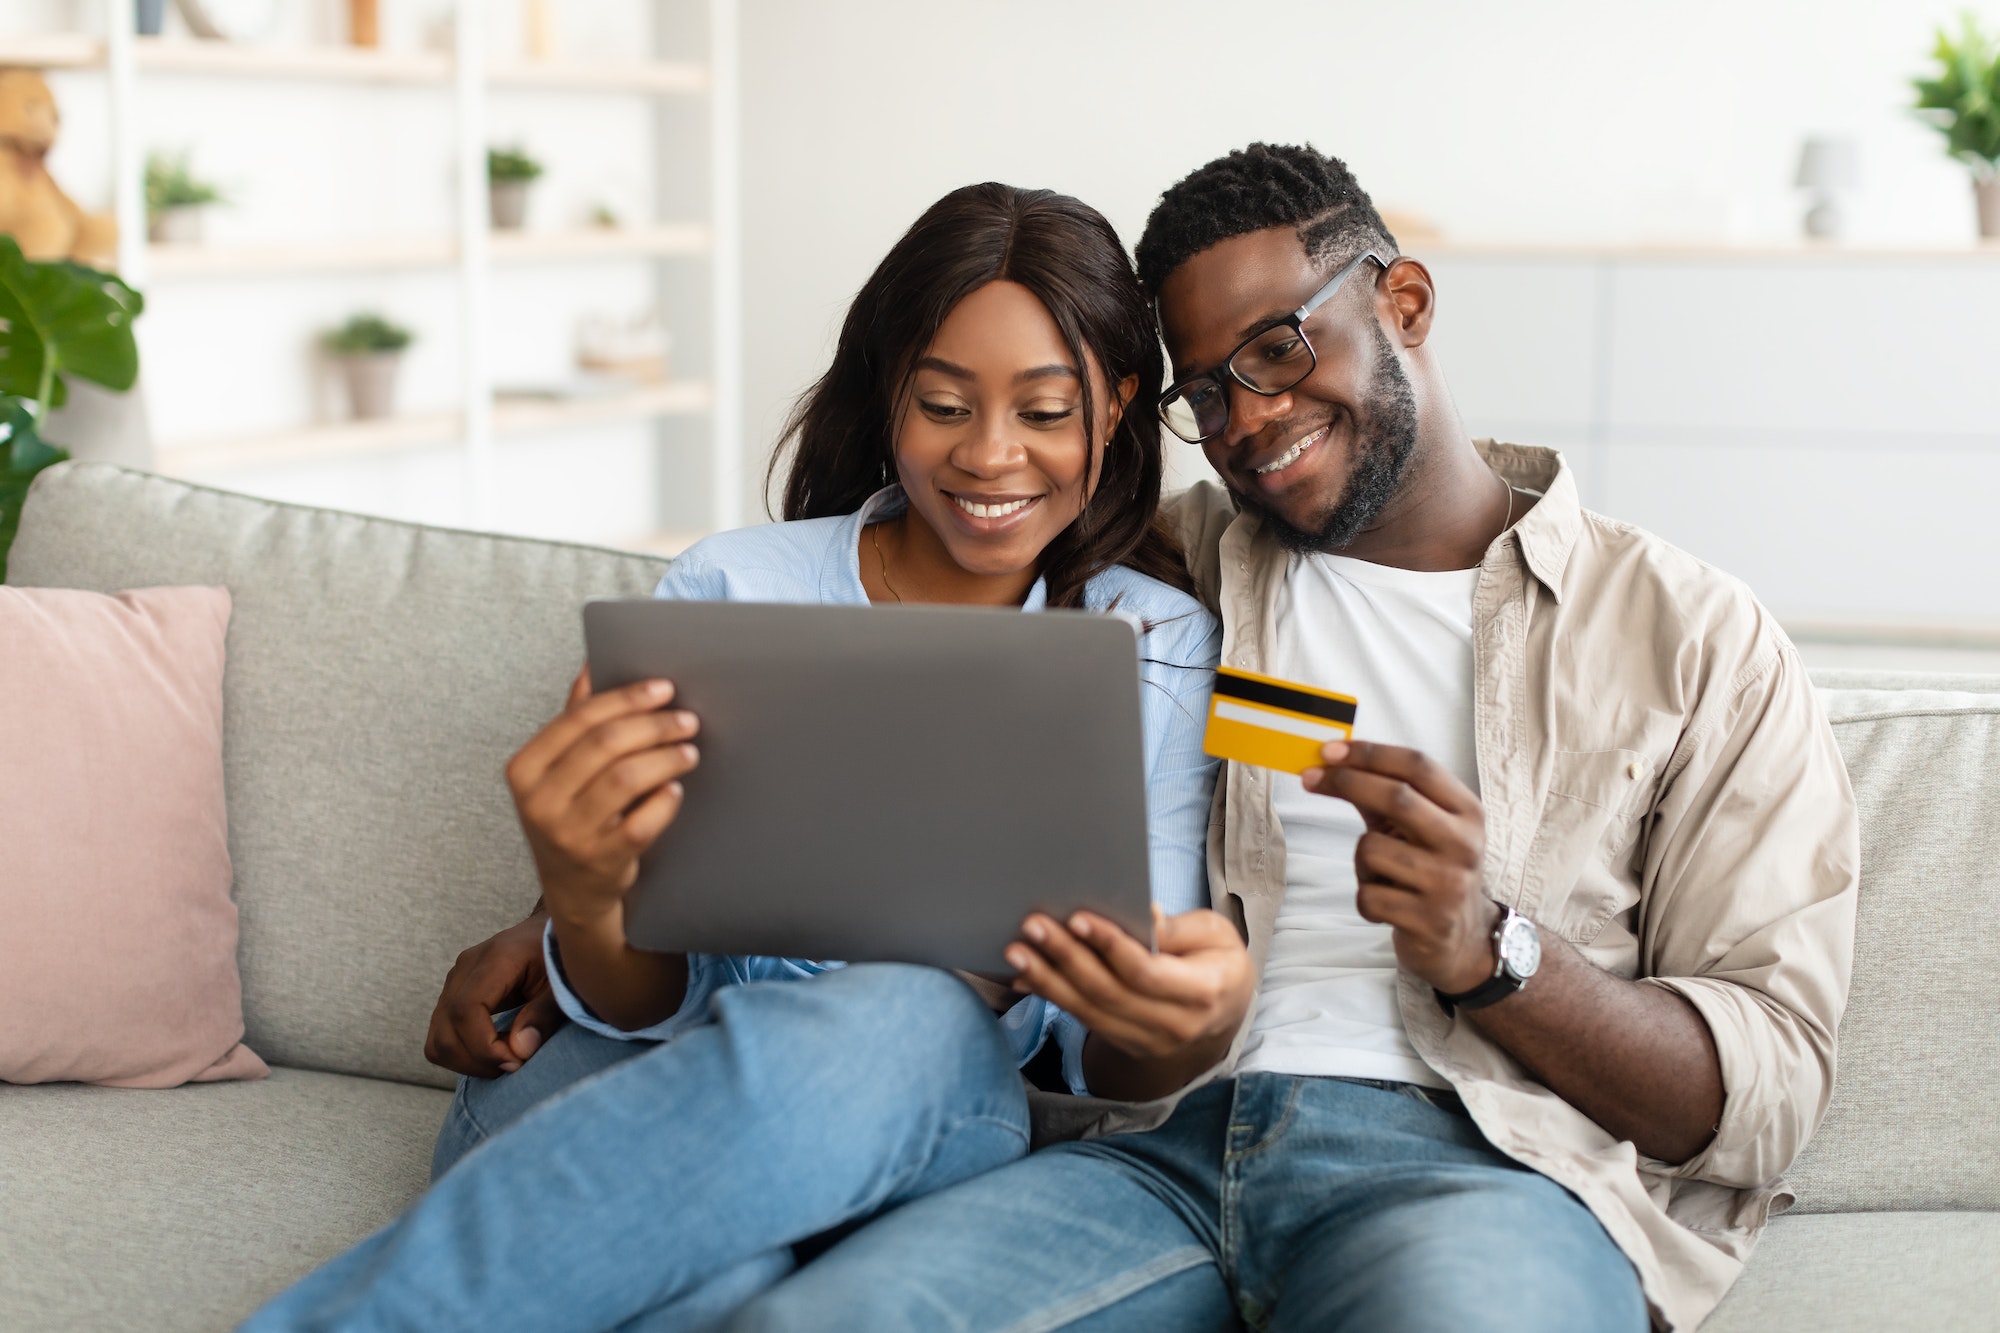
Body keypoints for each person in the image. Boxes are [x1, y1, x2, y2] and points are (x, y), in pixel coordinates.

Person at [717, 144, 1861, 1333]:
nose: (1247, 419)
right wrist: (573, 924)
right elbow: (856, 679)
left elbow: (1759, 1092)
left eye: (1276, 348)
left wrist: (1489, 949)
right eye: (1203, 391)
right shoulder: (1158, 578)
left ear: (1402, 302)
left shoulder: (1688, 637)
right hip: (1149, 1152)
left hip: (1476, 1173)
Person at [239, 182, 1243, 1333]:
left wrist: (1174, 1016)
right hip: (622, 1083)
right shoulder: (731, 585)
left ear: (1114, 407)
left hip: (918, 1094)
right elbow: (634, 999)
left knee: (910, 1016)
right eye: (942, 404)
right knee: (713, 1294)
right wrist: (578, 894)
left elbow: (1108, 1052)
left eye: (1045, 411)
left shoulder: (1151, 648)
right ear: (887, 399)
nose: (990, 455)